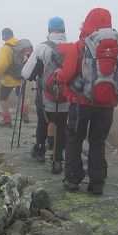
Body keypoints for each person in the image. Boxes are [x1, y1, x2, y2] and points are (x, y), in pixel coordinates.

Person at [56, 8, 118, 195]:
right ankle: (97, 183)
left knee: (75, 139)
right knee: (98, 142)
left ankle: (73, 179)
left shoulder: (81, 45)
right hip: (106, 106)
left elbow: (67, 74)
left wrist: (59, 76)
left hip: (80, 102)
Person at [21, 17, 69, 172]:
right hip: (66, 96)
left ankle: (40, 150)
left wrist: (27, 61)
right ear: (63, 30)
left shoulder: (42, 48)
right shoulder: (73, 48)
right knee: (62, 125)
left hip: (45, 95)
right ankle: (57, 158)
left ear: (49, 30)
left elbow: (27, 74)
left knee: (43, 121)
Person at [0, 28, 31, 127]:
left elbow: (3, 65)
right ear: (12, 35)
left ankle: (7, 121)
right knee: (20, 95)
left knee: (3, 98)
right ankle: (25, 115)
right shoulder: (21, 45)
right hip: (21, 76)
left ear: (3, 37)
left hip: (8, 78)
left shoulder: (5, 48)